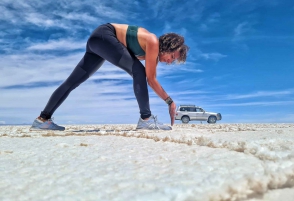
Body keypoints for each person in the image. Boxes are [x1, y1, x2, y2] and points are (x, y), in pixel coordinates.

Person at [30, 23, 189, 131]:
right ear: (169, 46)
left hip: (98, 41)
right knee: (138, 71)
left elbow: (151, 79)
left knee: (72, 82)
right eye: (172, 56)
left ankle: (42, 120)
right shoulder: (153, 41)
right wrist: (170, 102)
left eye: (173, 61)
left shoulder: (151, 54)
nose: (170, 62)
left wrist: (169, 101)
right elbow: (151, 80)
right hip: (105, 36)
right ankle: (146, 120)